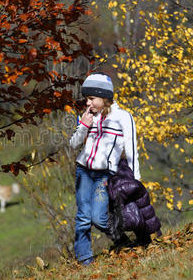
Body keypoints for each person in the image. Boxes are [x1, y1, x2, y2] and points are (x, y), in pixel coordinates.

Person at [69, 72, 141, 265]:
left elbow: (132, 149)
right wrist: (83, 126)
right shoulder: (87, 117)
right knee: (83, 216)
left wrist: (136, 180)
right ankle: (84, 259)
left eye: (91, 98)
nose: (88, 103)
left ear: (104, 97)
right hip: (83, 171)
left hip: (105, 175)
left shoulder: (123, 117)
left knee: (99, 218)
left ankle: (121, 240)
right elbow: (73, 144)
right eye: (86, 99)